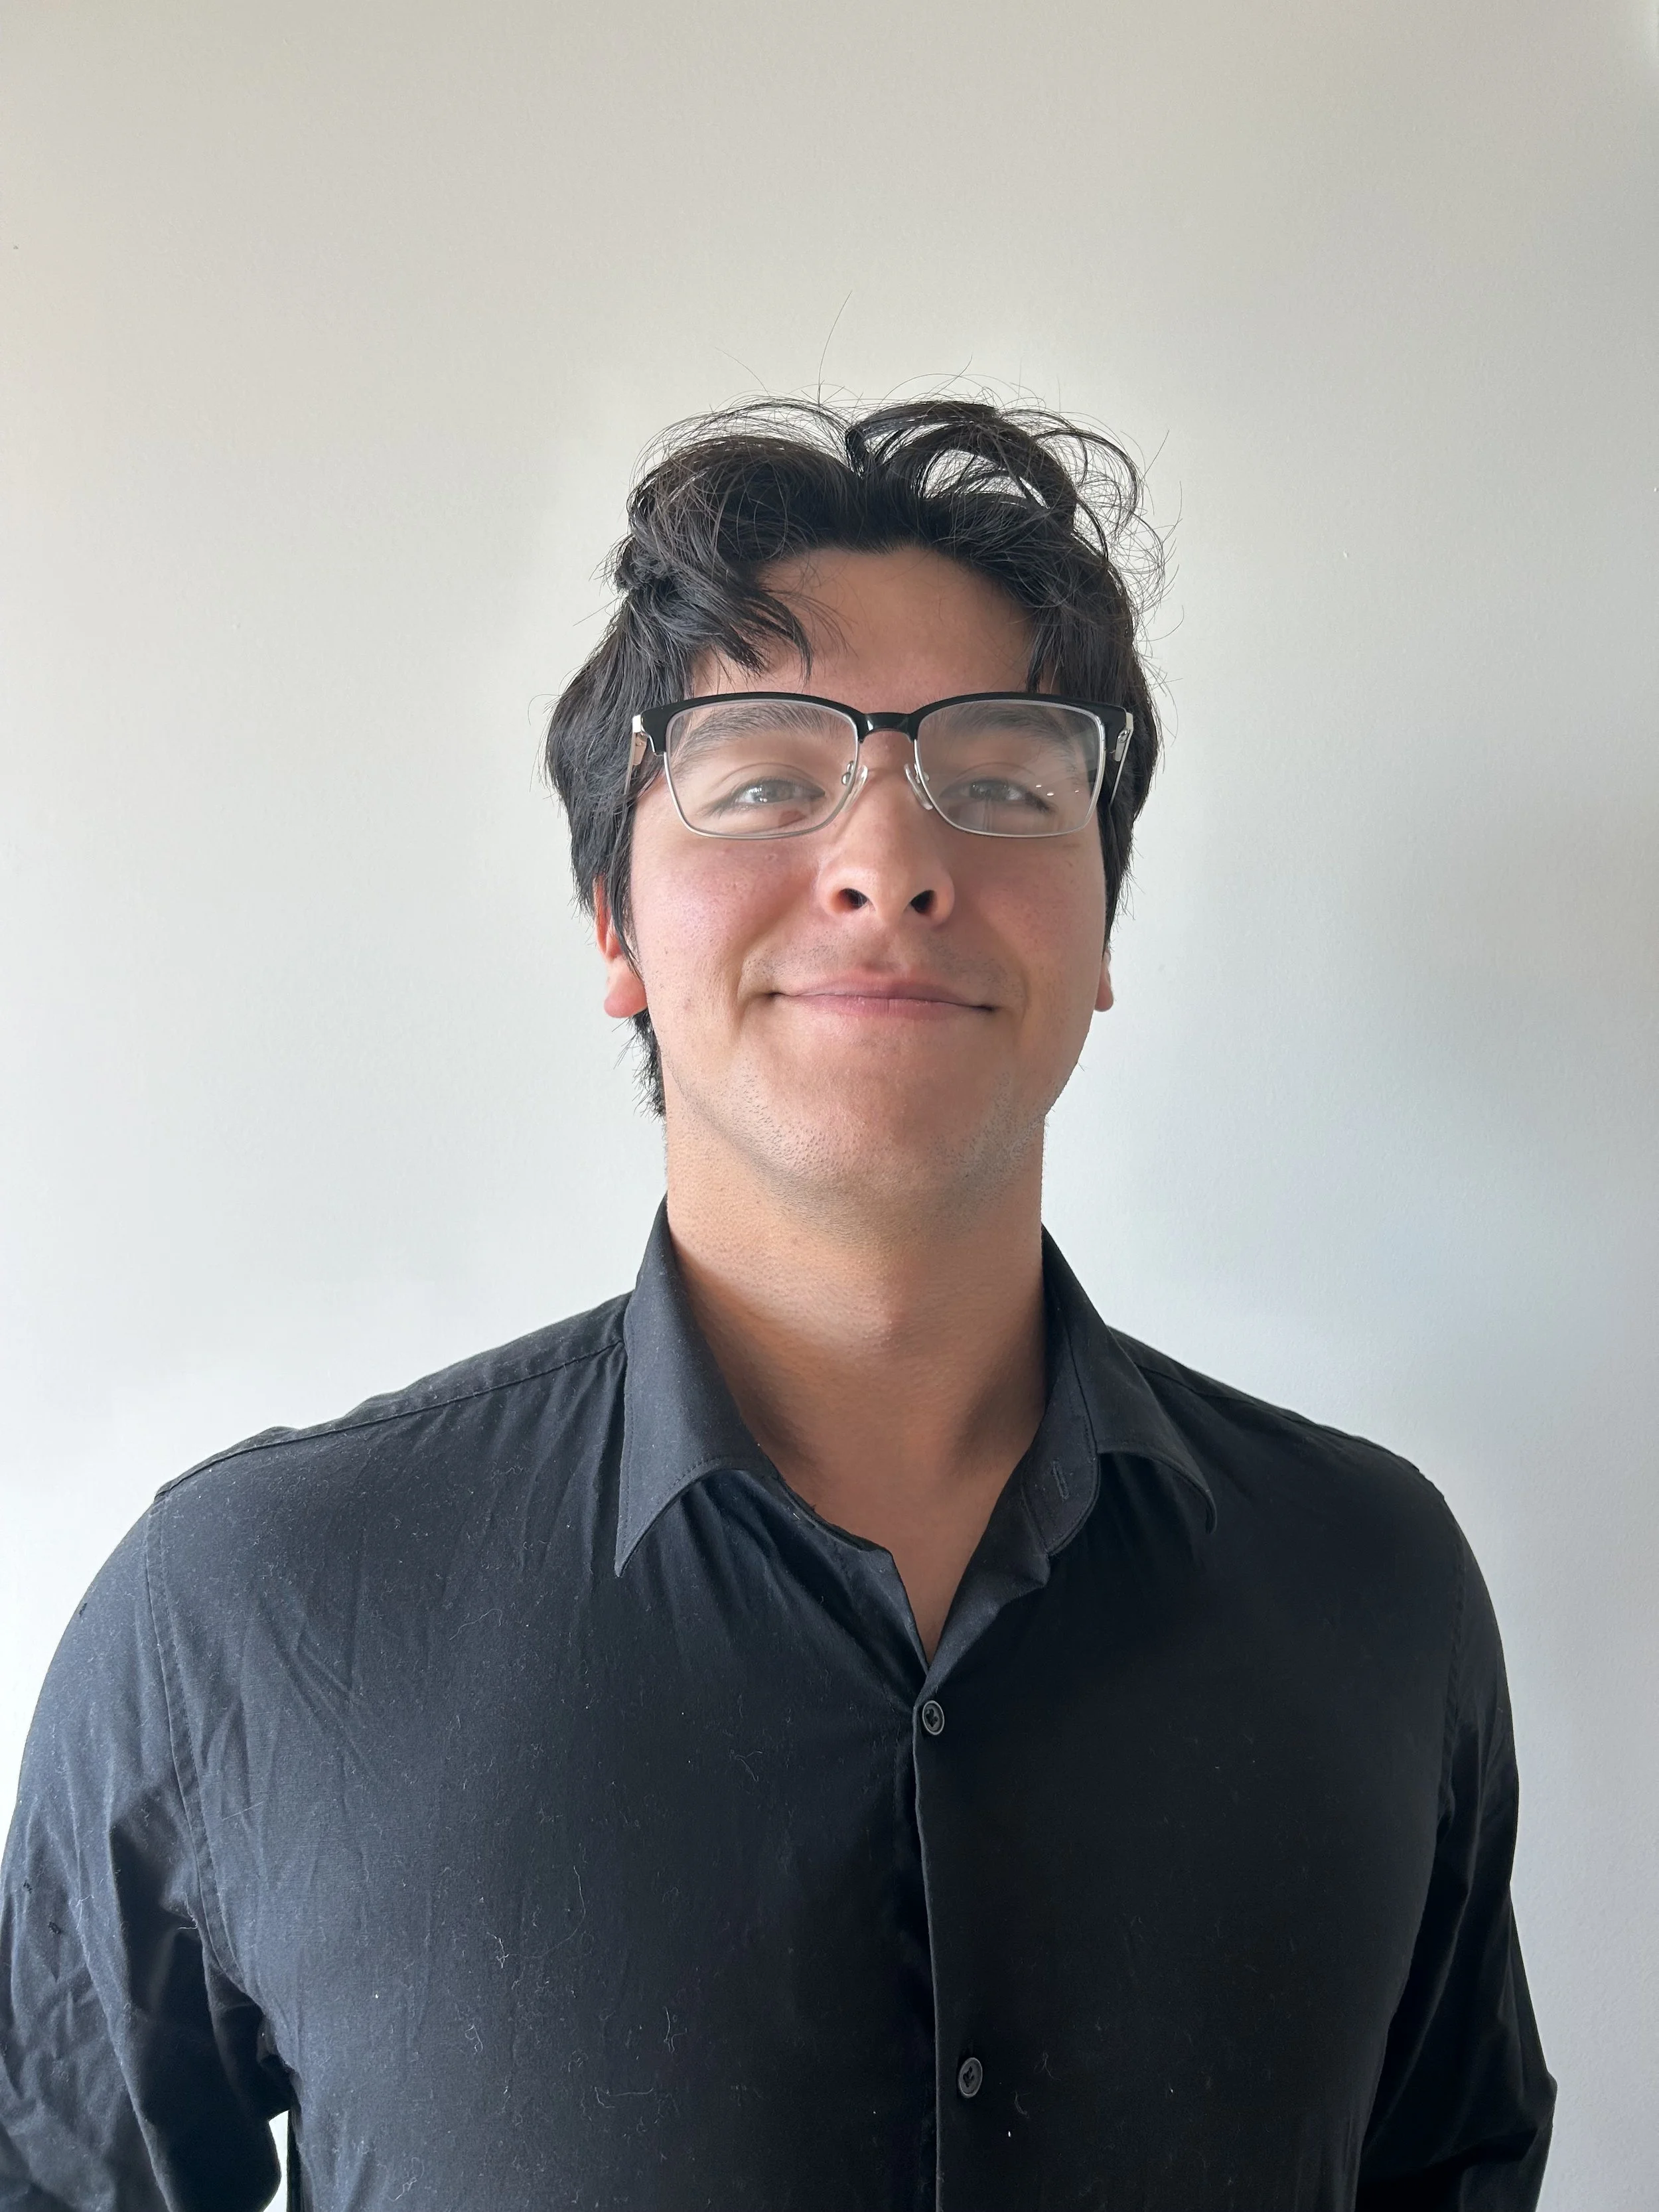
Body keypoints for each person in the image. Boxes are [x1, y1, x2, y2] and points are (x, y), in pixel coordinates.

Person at [0, 397, 1553, 2211]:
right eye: (761, 778)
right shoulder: (254, 1613)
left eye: (1001, 780)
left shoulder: (1369, 1580)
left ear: (1102, 926)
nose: (891, 860)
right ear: (612, 926)